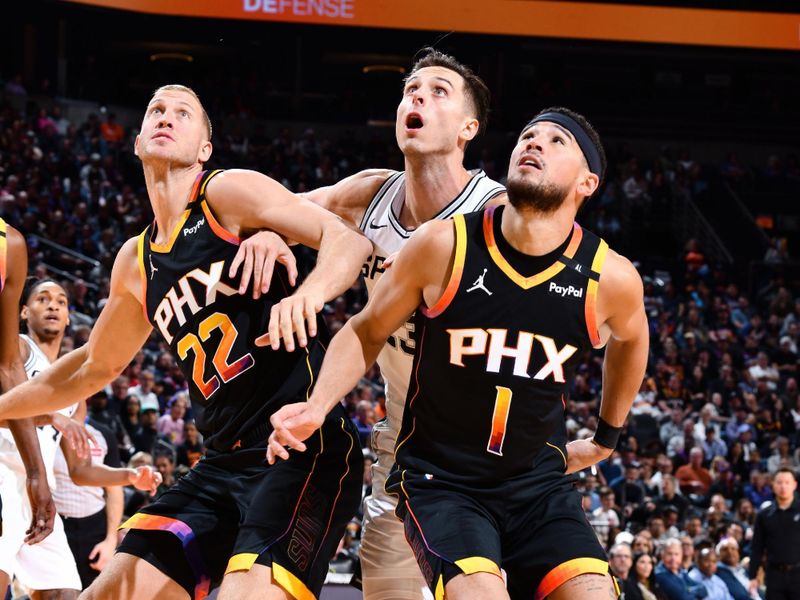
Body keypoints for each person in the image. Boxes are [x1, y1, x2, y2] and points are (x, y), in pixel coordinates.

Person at [0, 84, 371, 600]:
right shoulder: (135, 260)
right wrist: (2, 408)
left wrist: (310, 295)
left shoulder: (225, 194)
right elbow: (91, 367)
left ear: (204, 149)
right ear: (136, 142)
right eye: (156, 109)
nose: (166, 117)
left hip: (300, 447)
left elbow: (348, 239)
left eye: (183, 113)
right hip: (219, 464)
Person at [267, 106, 649, 599]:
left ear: (587, 183)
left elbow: (632, 339)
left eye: (557, 142)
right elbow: (366, 330)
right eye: (528, 135)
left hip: (537, 486)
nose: (534, 143)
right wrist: (315, 408)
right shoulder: (444, 245)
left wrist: (607, 437)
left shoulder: (609, 277)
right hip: (442, 480)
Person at [237, 47, 506, 600]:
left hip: (489, 452)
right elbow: (277, 210)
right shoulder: (369, 193)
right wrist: (269, 233)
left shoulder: (497, 214)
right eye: (411, 89)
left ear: (468, 128)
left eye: (438, 92)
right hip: (404, 448)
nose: (418, 98)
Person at [0, 277, 88, 597]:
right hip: (4, 476)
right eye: (43, 299)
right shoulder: (18, 350)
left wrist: (130, 476)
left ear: (68, 317)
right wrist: (48, 416)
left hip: (40, 496)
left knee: (63, 592)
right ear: (23, 312)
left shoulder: (75, 385)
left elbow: (81, 471)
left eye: (61, 301)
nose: (53, 305)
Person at [748, 467, 800, 600]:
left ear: (794, 485)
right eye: (779, 482)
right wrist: (753, 576)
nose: (783, 486)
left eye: (787, 482)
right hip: (774, 575)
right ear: (773, 485)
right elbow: (757, 548)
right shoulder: (764, 515)